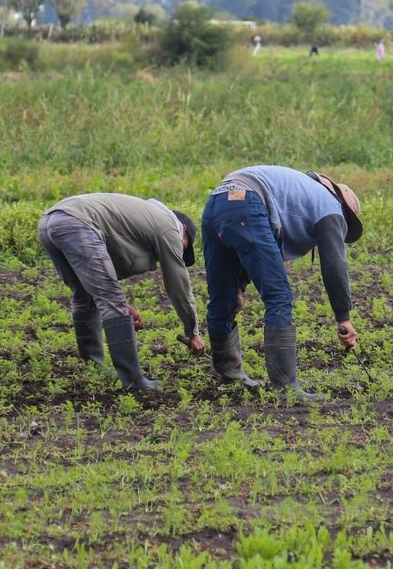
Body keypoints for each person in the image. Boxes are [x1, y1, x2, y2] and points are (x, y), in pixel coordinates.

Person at [201, 166, 363, 400]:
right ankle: (286, 389)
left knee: (224, 297)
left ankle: (230, 377)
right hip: (247, 202)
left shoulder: (298, 194)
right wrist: (343, 317)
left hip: (219, 200)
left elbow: (255, 247)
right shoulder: (330, 207)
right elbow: (334, 265)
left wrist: (239, 286)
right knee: (279, 296)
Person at [38, 193, 206, 390]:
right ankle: (133, 381)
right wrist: (193, 332)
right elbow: (178, 284)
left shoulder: (142, 218)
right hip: (77, 223)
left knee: (84, 295)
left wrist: (122, 307)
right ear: (183, 230)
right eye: (184, 246)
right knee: (111, 300)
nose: (180, 250)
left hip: (51, 221)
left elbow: (98, 285)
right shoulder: (169, 227)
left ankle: (94, 367)